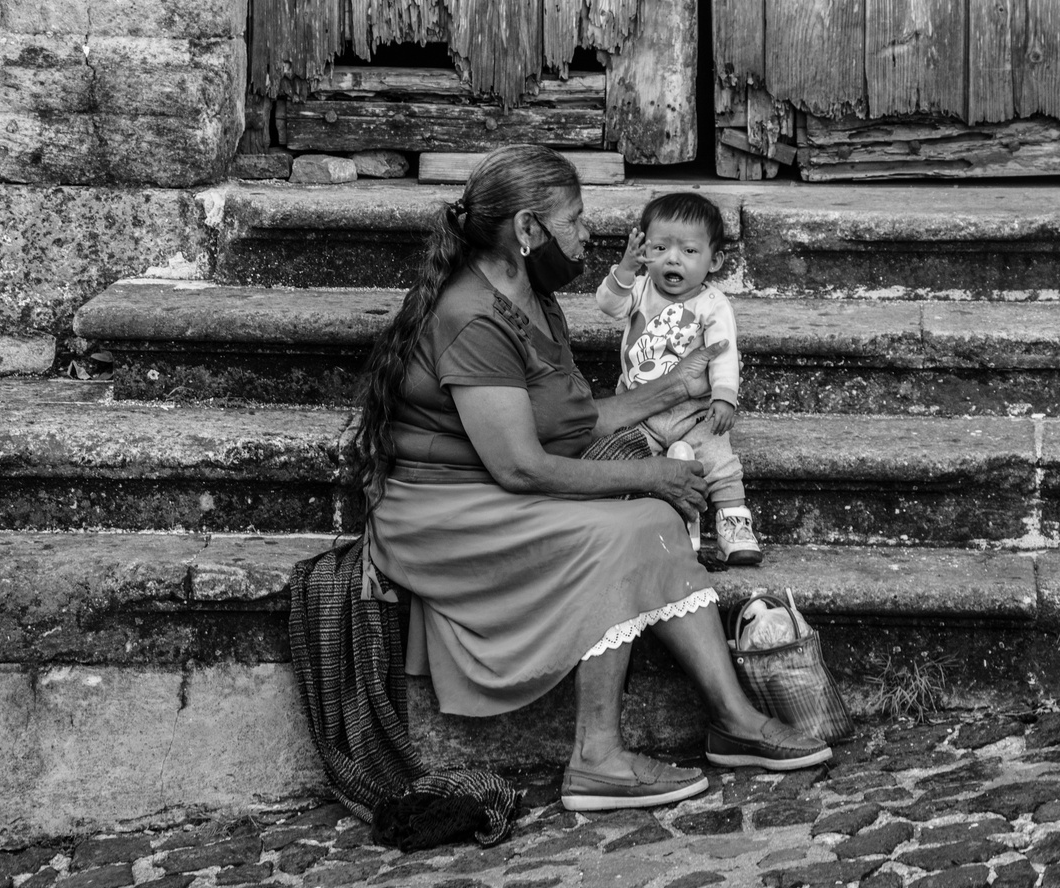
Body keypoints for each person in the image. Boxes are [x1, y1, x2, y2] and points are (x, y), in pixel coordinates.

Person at [353, 144, 831, 813]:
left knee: (653, 520)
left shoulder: (532, 298)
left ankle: (734, 722)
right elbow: (519, 464)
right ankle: (597, 759)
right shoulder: (474, 316)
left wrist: (676, 385)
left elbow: (573, 420)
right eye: (574, 222)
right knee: (631, 527)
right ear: (527, 231)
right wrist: (651, 471)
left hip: (494, 488)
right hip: (447, 513)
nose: (586, 237)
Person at [595, 192, 761, 568]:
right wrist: (625, 268)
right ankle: (648, 525)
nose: (673, 258)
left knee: (720, 461)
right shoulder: (637, 290)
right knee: (624, 459)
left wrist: (724, 396)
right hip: (640, 410)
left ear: (713, 260)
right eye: (660, 247)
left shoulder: (712, 304)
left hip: (695, 414)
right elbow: (607, 304)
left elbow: (724, 352)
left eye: (688, 251)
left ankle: (734, 523)